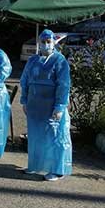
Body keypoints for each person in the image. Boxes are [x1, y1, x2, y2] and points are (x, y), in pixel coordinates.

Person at [20, 29, 72, 181]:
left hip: (51, 106)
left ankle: (57, 170)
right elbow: (25, 81)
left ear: (54, 42)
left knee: (55, 137)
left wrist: (60, 107)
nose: (45, 44)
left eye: (48, 41)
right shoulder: (33, 60)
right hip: (35, 106)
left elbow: (63, 85)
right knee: (35, 136)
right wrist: (24, 100)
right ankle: (35, 165)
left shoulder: (60, 61)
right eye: (43, 42)